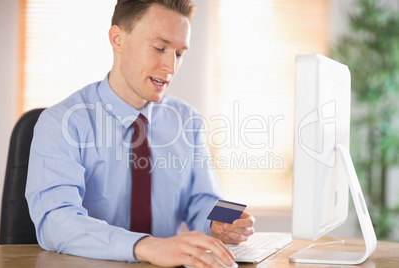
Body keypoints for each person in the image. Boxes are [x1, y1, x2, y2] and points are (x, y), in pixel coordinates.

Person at [25, 0, 255, 267]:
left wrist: (226, 218)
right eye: (159, 48)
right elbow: (56, 220)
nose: (170, 66)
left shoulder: (186, 120)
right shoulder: (62, 123)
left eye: (179, 53)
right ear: (118, 39)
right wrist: (146, 247)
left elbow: (202, 198)